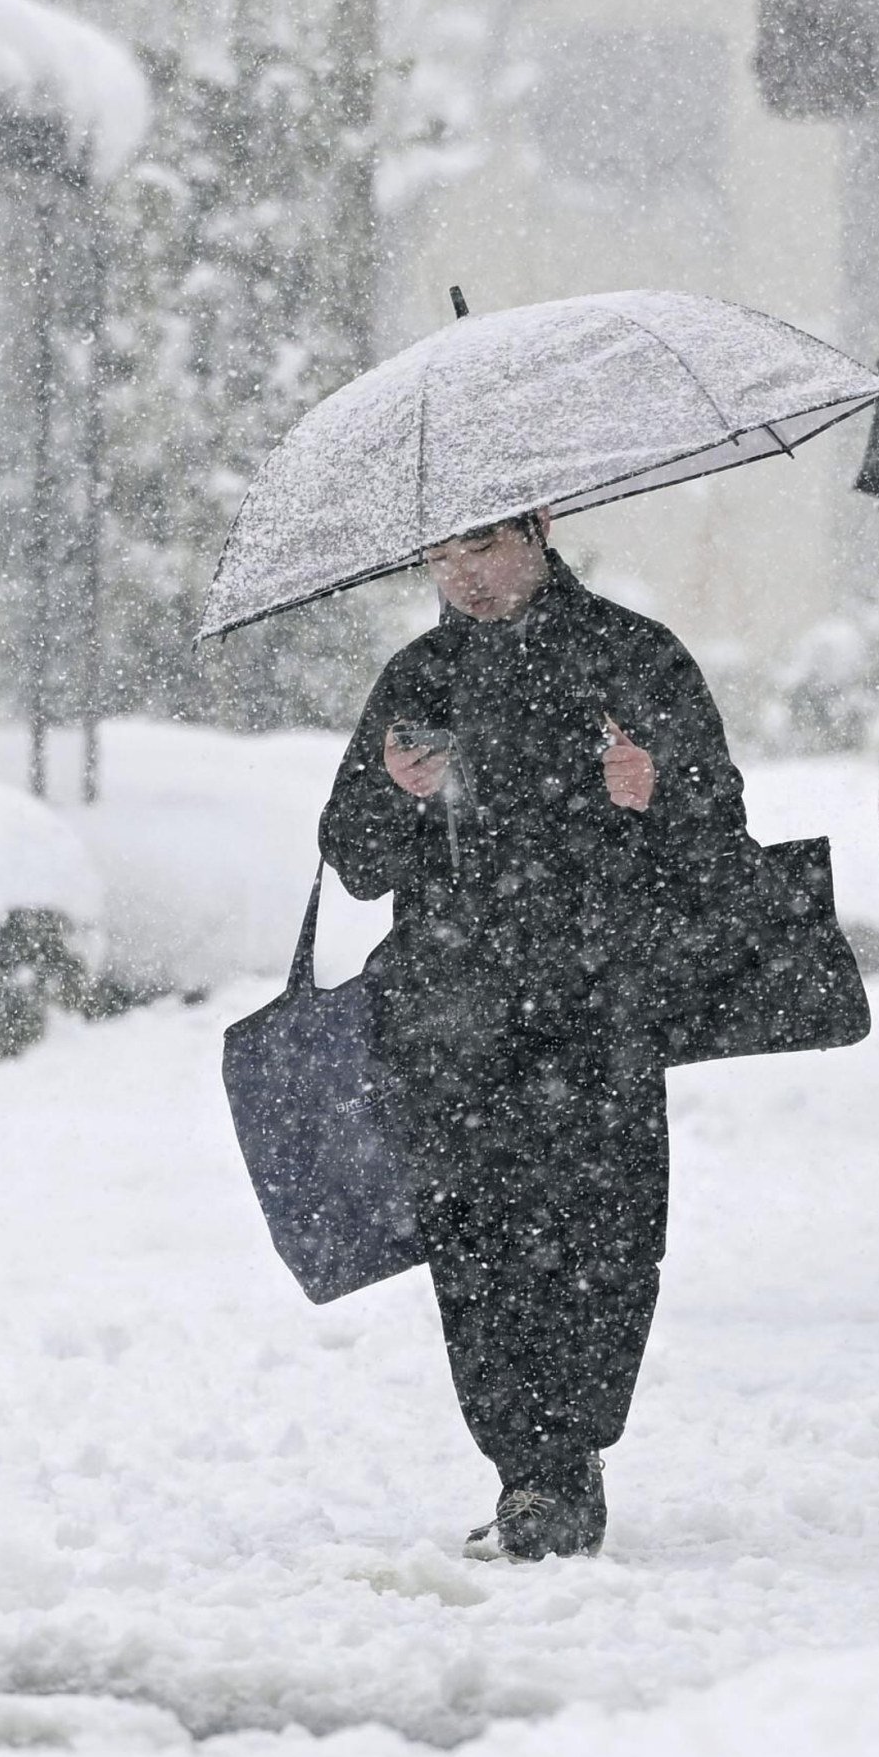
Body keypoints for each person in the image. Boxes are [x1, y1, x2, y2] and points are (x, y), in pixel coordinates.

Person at [318, 511, 756, 1561]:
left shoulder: (633, 658)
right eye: (438, 556)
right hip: (450, 1021)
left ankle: (573, 1449)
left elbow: (723, 845)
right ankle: (529, 1469)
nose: (461, 577)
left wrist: (661, 794)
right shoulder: (419, 677)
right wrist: (393, 794)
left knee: (606, 1241)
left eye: (480, 548)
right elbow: (354, 856)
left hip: (597, 1012)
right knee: (475, 1247)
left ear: (539, 532)